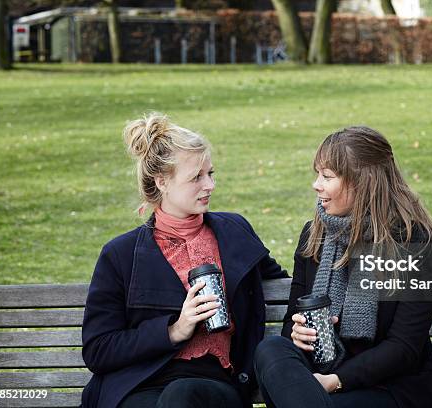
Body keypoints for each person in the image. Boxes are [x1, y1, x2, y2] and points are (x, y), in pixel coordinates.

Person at [81, 113, 287, 408]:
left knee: (181, 396)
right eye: (196, 177)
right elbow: (99, 350)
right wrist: (175, 330)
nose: (210, 186)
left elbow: (283, 283)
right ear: (162, 181)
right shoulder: (121, 254)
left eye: (211, 174)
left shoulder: (234, 232)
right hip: (138, 384)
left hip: (212, 385)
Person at [254, 126, 432, 408]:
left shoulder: (415, 242)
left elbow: (404, 348)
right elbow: (292, 324)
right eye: (317, 174)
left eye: (327, 177)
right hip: (316, 387)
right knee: (272, 348)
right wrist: (297, 335)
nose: (316, 185)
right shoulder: (314, 235)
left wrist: (336, 381)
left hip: (390, 392)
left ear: (363, 182)